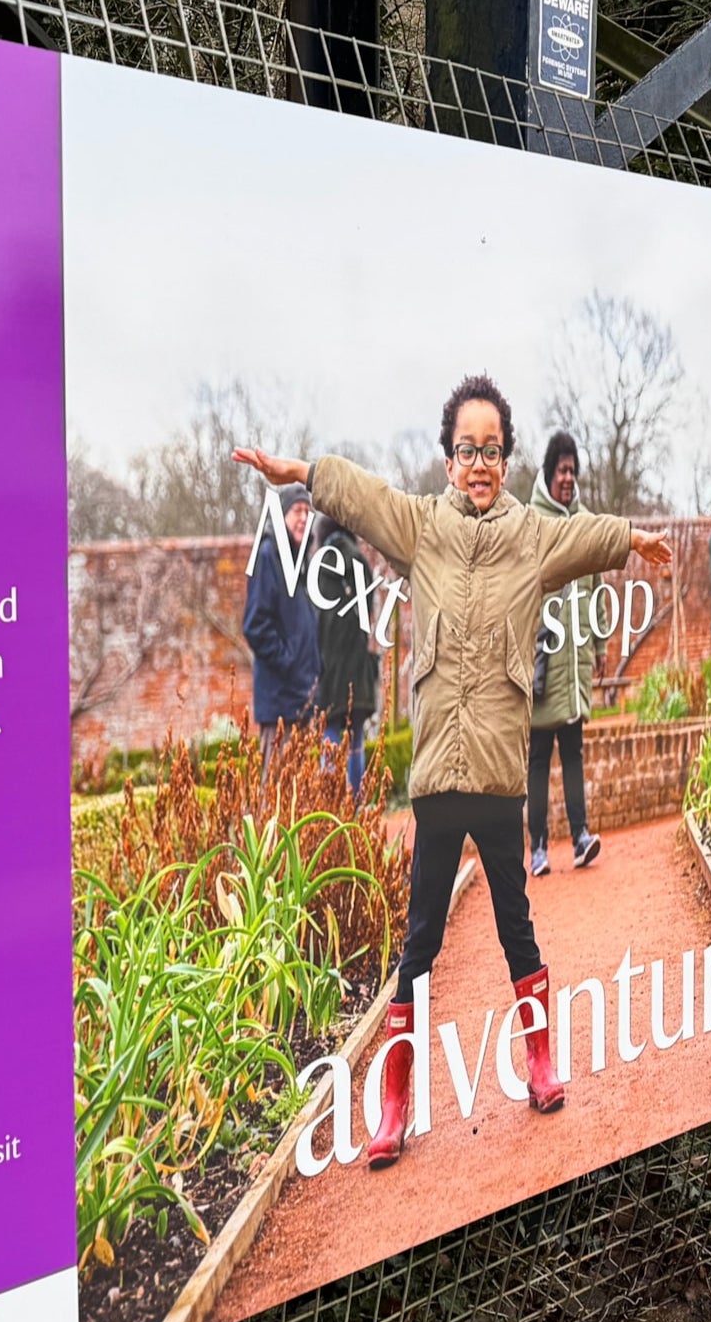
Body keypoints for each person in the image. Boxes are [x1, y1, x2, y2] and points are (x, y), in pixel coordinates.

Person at [233, 377, 674, 1168]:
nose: (479, 464)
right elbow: (362, 494)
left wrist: (634, 539)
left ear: (506, 460)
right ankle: (395, 1100)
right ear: (448, 460)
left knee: (516, 925)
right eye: (467, 449)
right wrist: (298, 471)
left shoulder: (529, 537)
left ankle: (540, 1061)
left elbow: (584, 535)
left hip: (501, 773)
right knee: (421, 942)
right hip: (438, 774)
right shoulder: (421, 528)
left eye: (492, 451)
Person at [525, 431, 601, 875]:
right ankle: (537, 847)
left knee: (573, 755)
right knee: (538, 760)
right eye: (562, 470)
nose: (568, 478)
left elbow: (596, 590)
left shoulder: (585, 523)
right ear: (549, 473)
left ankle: (580, 837)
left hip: (574, 666)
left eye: (573, 471)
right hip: (542, 665)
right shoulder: (531, 523)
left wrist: (599, 642)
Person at [312, 515, 380, 798]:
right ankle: (356, 806)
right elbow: (367, 617)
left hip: (327, 672)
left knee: (329, 735)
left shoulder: (317, 568)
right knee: (355, 742)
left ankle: (329, 804)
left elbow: (312, 621)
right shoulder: (360, 563)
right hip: (356, 672)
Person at [243, 487, 320, 734]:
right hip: (279, 704)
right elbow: (255, 626)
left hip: (303, 700)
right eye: (297, 511)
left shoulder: (302, 561)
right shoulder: (268, 556)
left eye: (307, 511)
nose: (304, 518)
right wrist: (289, 662)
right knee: (277, 762)